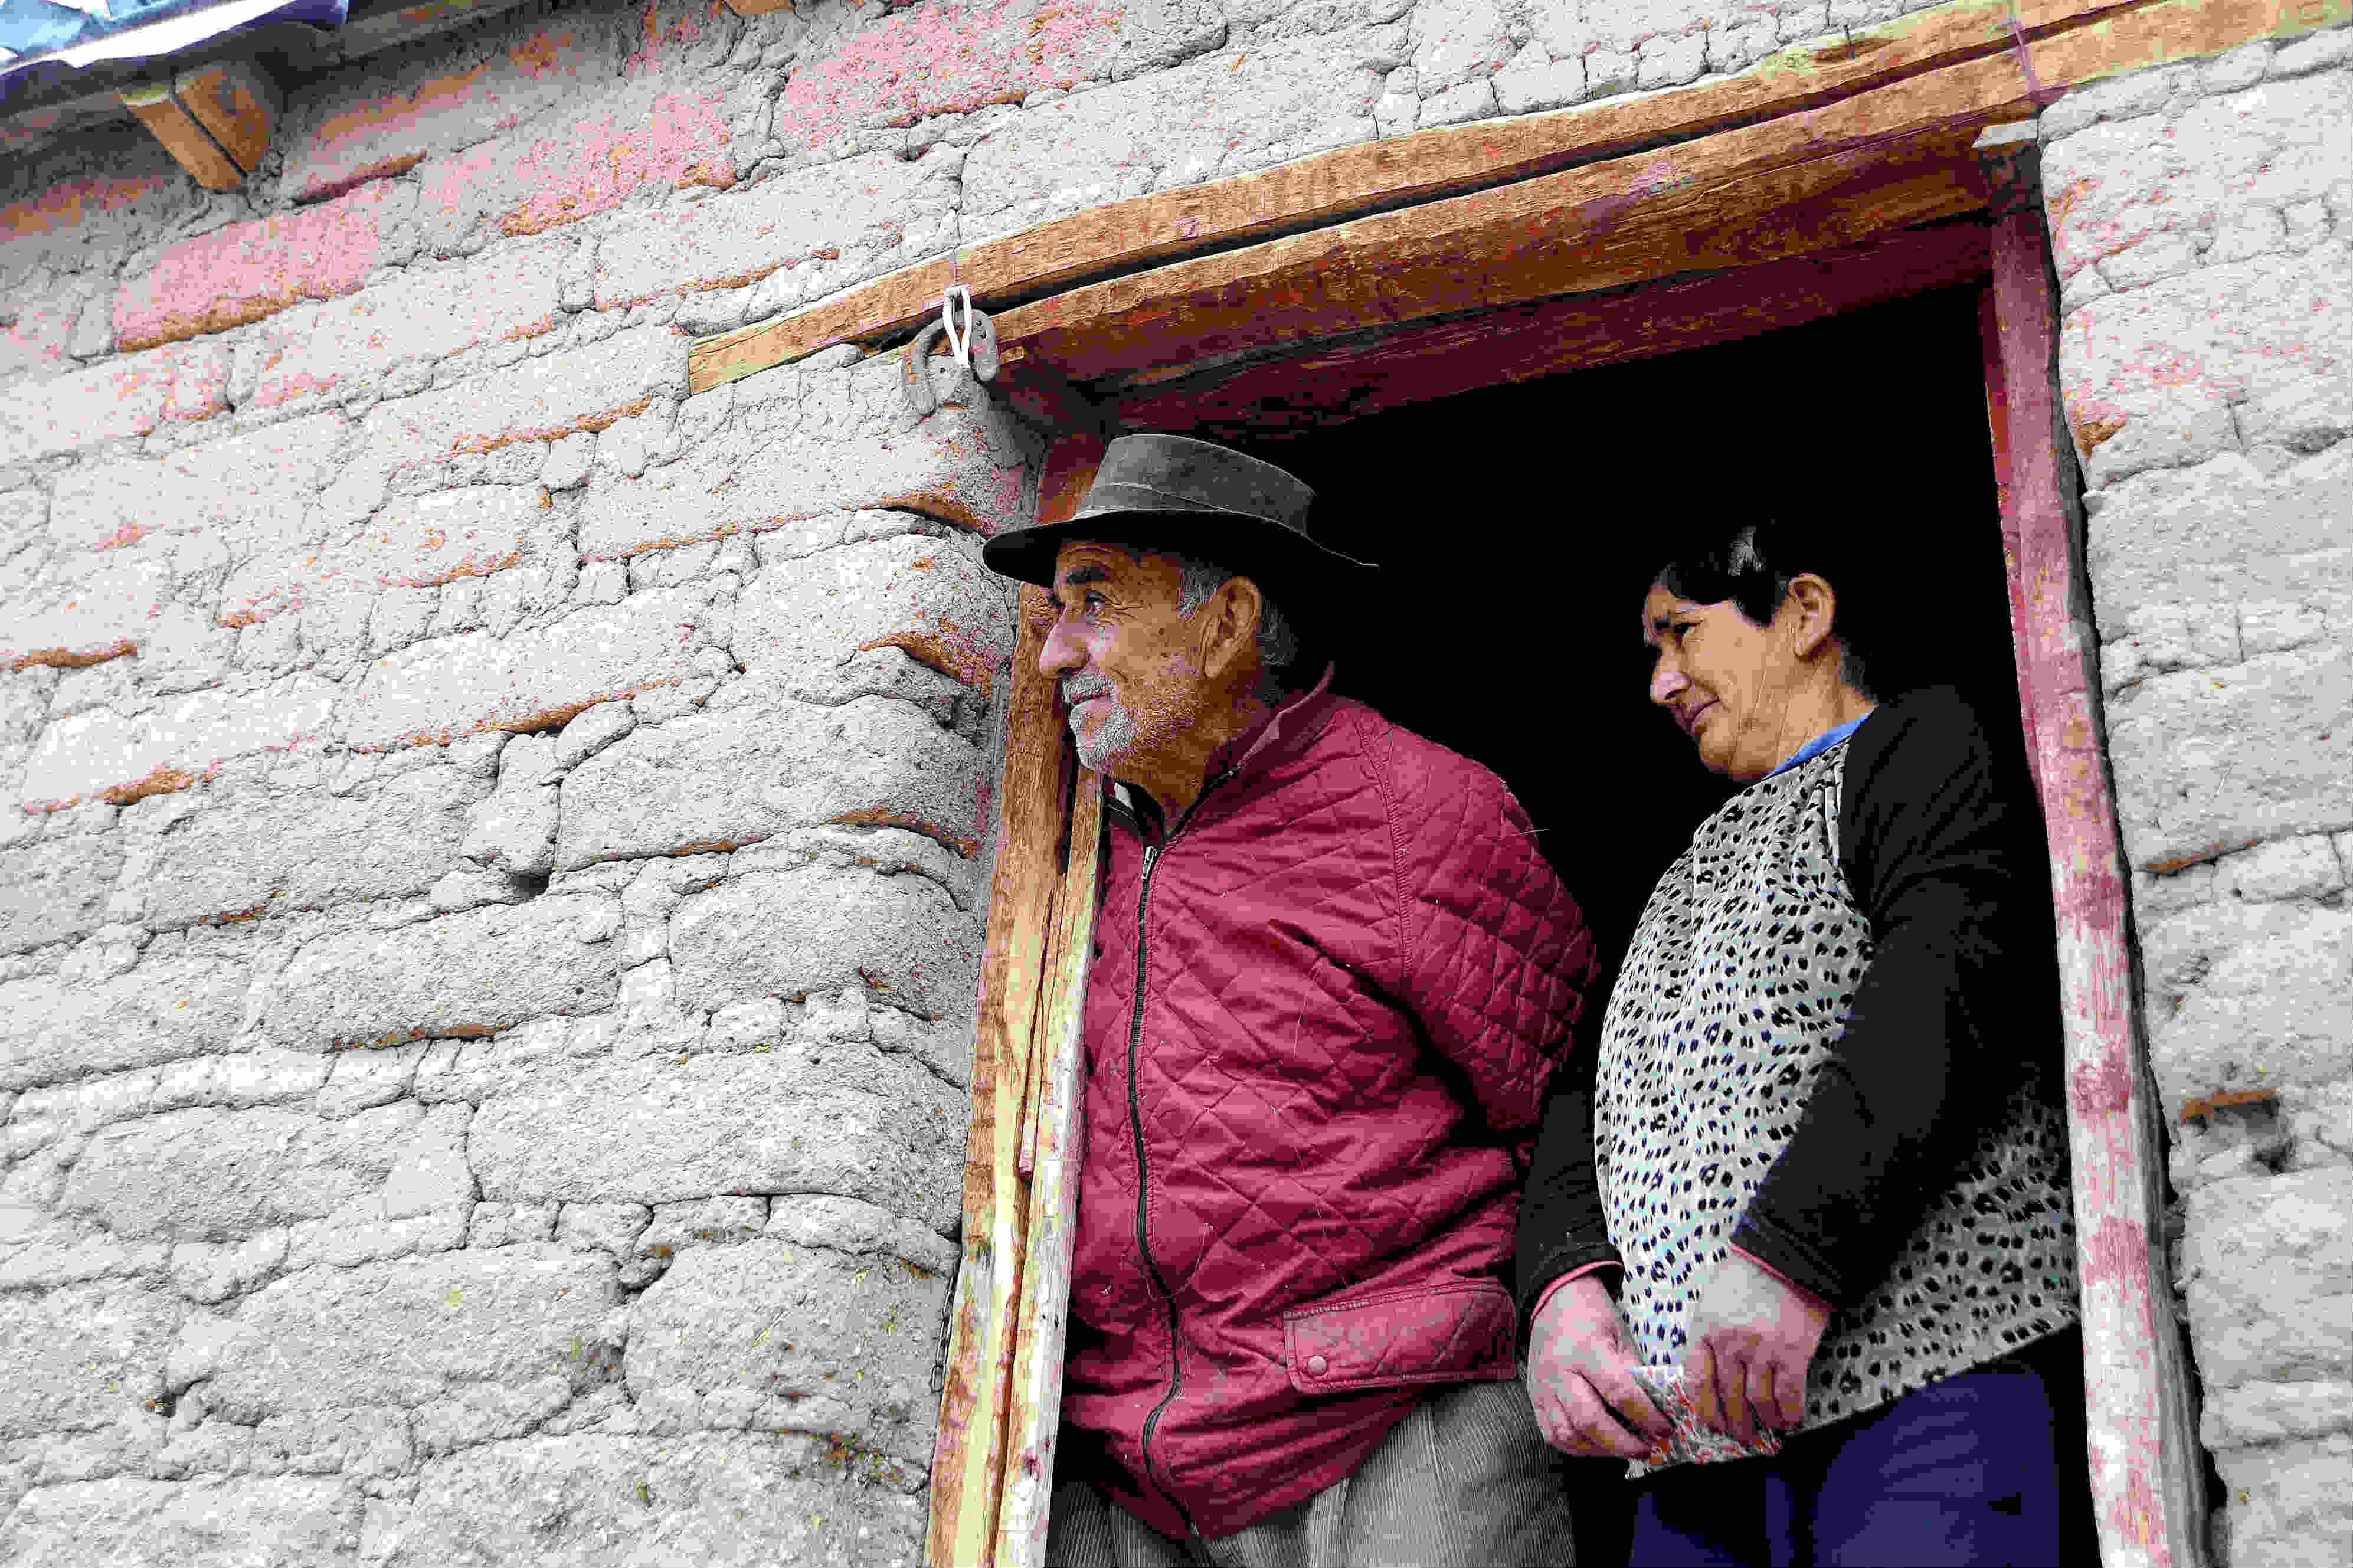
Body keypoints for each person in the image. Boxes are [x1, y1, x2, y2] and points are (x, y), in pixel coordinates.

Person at [979, 434, 1602, 1568]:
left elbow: (1573, 1091)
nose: (1051, 655)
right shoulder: (1070, 849)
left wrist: (1569, 1289)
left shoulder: (1422, 813)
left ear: (1225, 629)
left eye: (1096, 602)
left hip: (1397, 1429)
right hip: (1130, 1467)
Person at [1516, 515, 2088, 1566]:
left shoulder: (1914, 748)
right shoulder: (1674, 859)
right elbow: (1576, 1099)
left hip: (1926, 1401)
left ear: (1807, 613)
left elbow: (1942, 987)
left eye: (1680, 633)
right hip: (1692, 1456)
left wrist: (1793, 1257)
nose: (1660, 682)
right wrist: (1561, 1291)